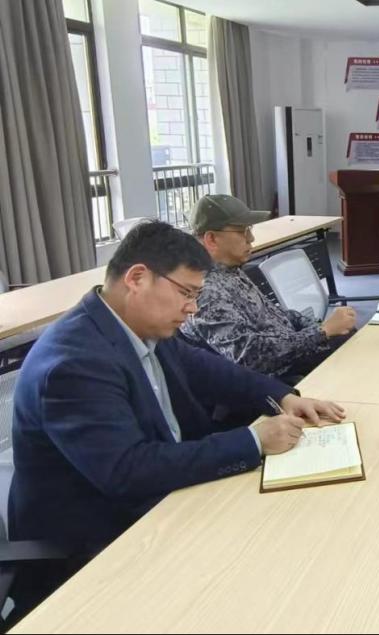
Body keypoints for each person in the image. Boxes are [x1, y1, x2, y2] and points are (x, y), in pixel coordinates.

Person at [9, 221, 344, 562]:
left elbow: (208, 369)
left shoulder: (137, 324)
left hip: (169, 491)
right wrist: (253, 440)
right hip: (101, 538)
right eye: (186, 293)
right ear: (137, 279)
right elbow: (128, 471)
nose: (193, 308)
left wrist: (283, 397)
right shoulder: (73, 365)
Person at [180, 195, 356, 380]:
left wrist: (316, 327)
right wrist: (322, 331)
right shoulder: (205, 291)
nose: (251, 238)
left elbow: (277, 315)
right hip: (276, 378)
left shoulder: (230, 269)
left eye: (249, 229)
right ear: (211, 239)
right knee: (350, 353)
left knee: (349, 337)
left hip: (290, 355)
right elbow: (250, 357)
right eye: (242, 231)